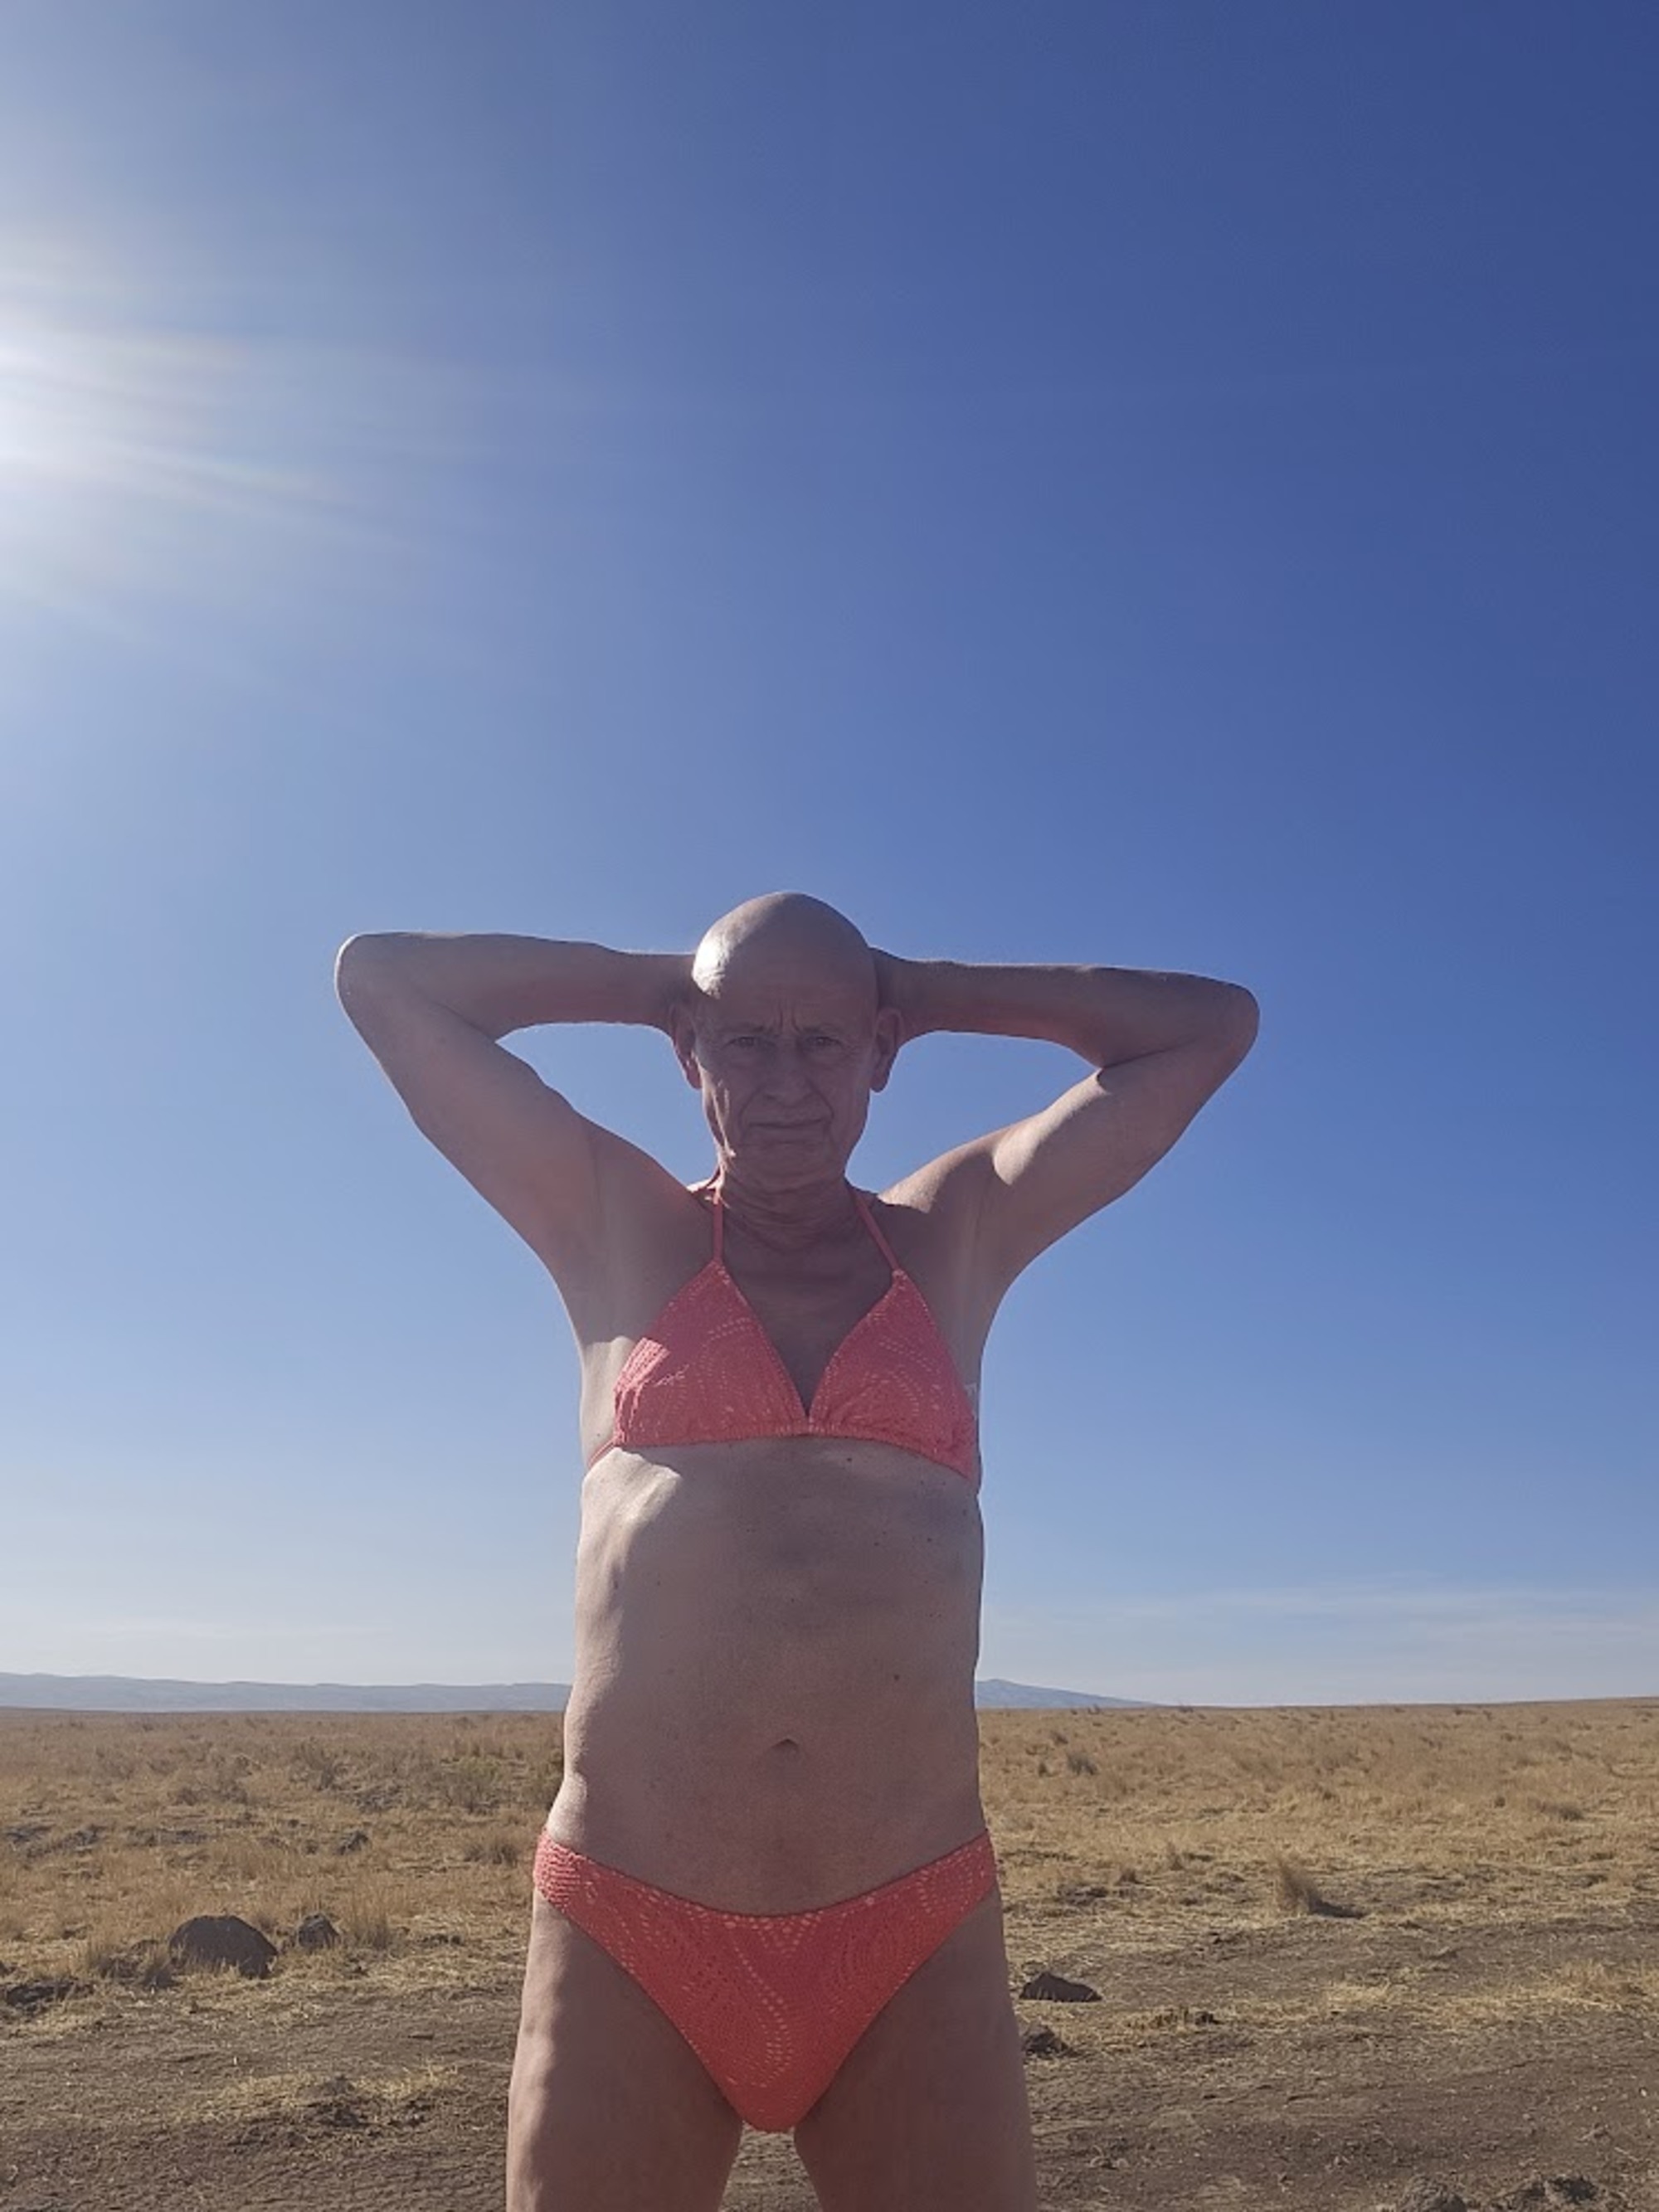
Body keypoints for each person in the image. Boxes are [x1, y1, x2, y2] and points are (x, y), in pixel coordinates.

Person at [334, 893, 1258, 2212]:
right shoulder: (615, 1225)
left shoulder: (955, 1235)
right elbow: (384, 980)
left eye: (822, 1043)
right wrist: (675, 986)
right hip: (634, 1919)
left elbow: (1209, 1027)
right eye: (743, 1043)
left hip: (909, 1926)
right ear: (689, 1054)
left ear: (880, 1052)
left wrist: (913, 990)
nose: (782, 1082)